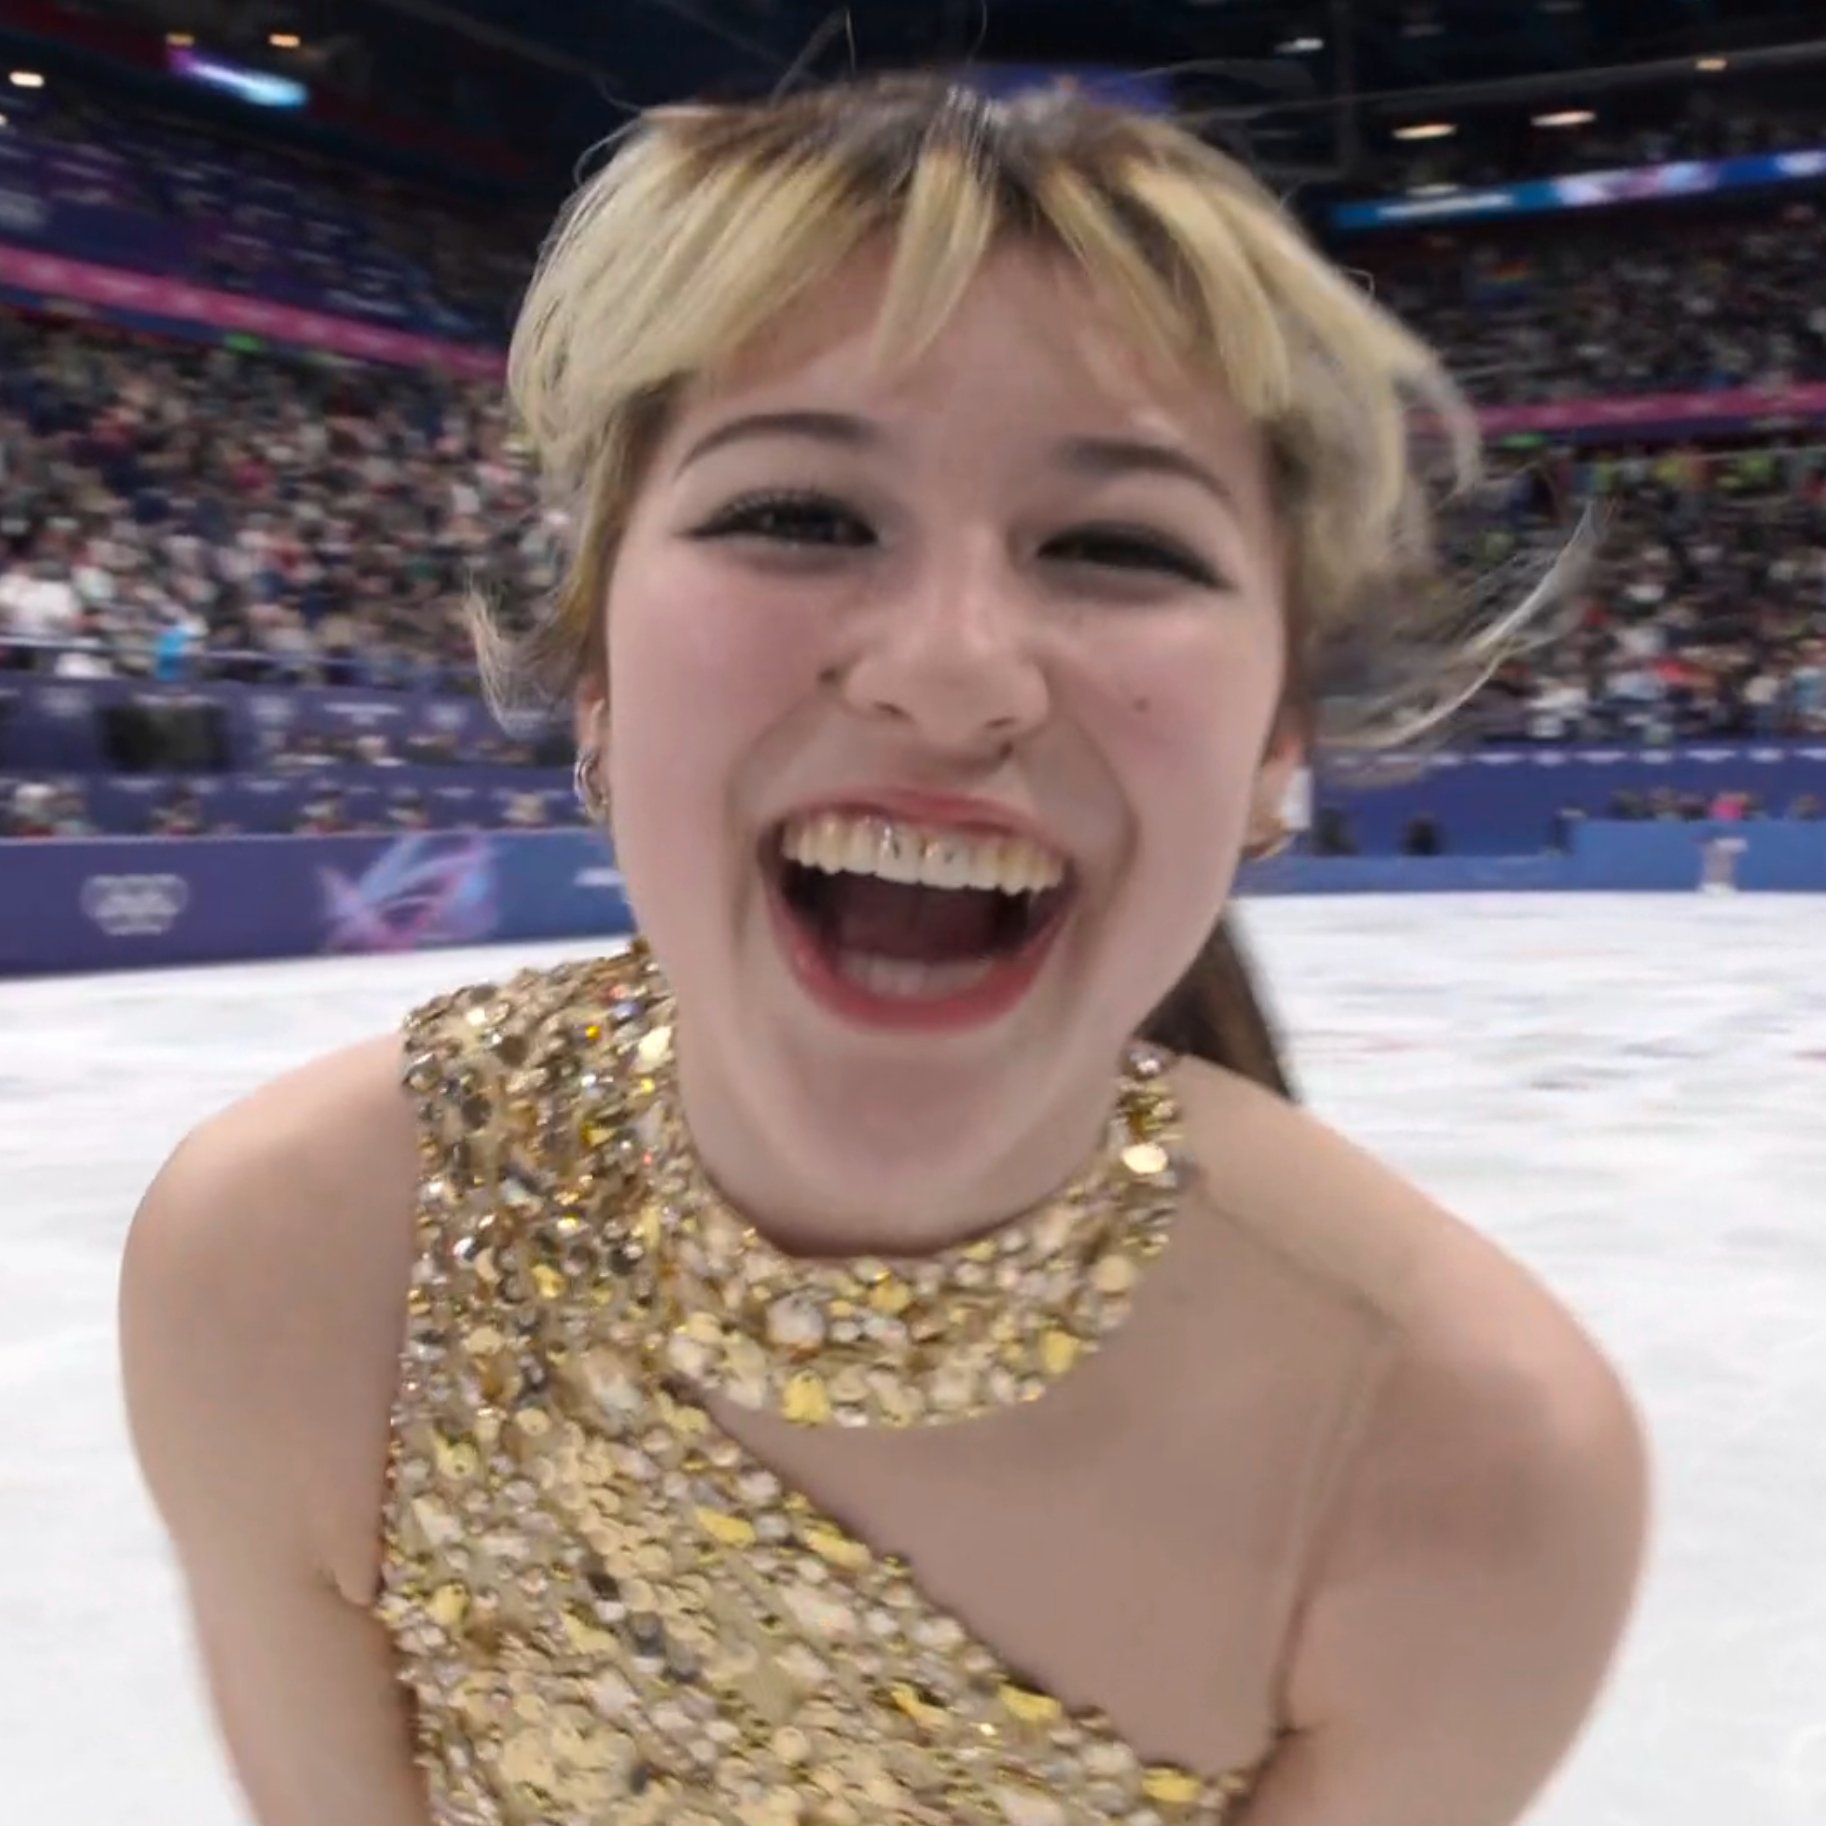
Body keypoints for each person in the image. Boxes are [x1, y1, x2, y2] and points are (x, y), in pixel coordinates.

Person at [119, 77, 1648, 1826]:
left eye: (1117, 545)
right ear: (597, 682)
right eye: (799, 515)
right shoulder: (296, 1266)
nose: (950, 669)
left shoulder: (1467, 1468)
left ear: (1273, 746)